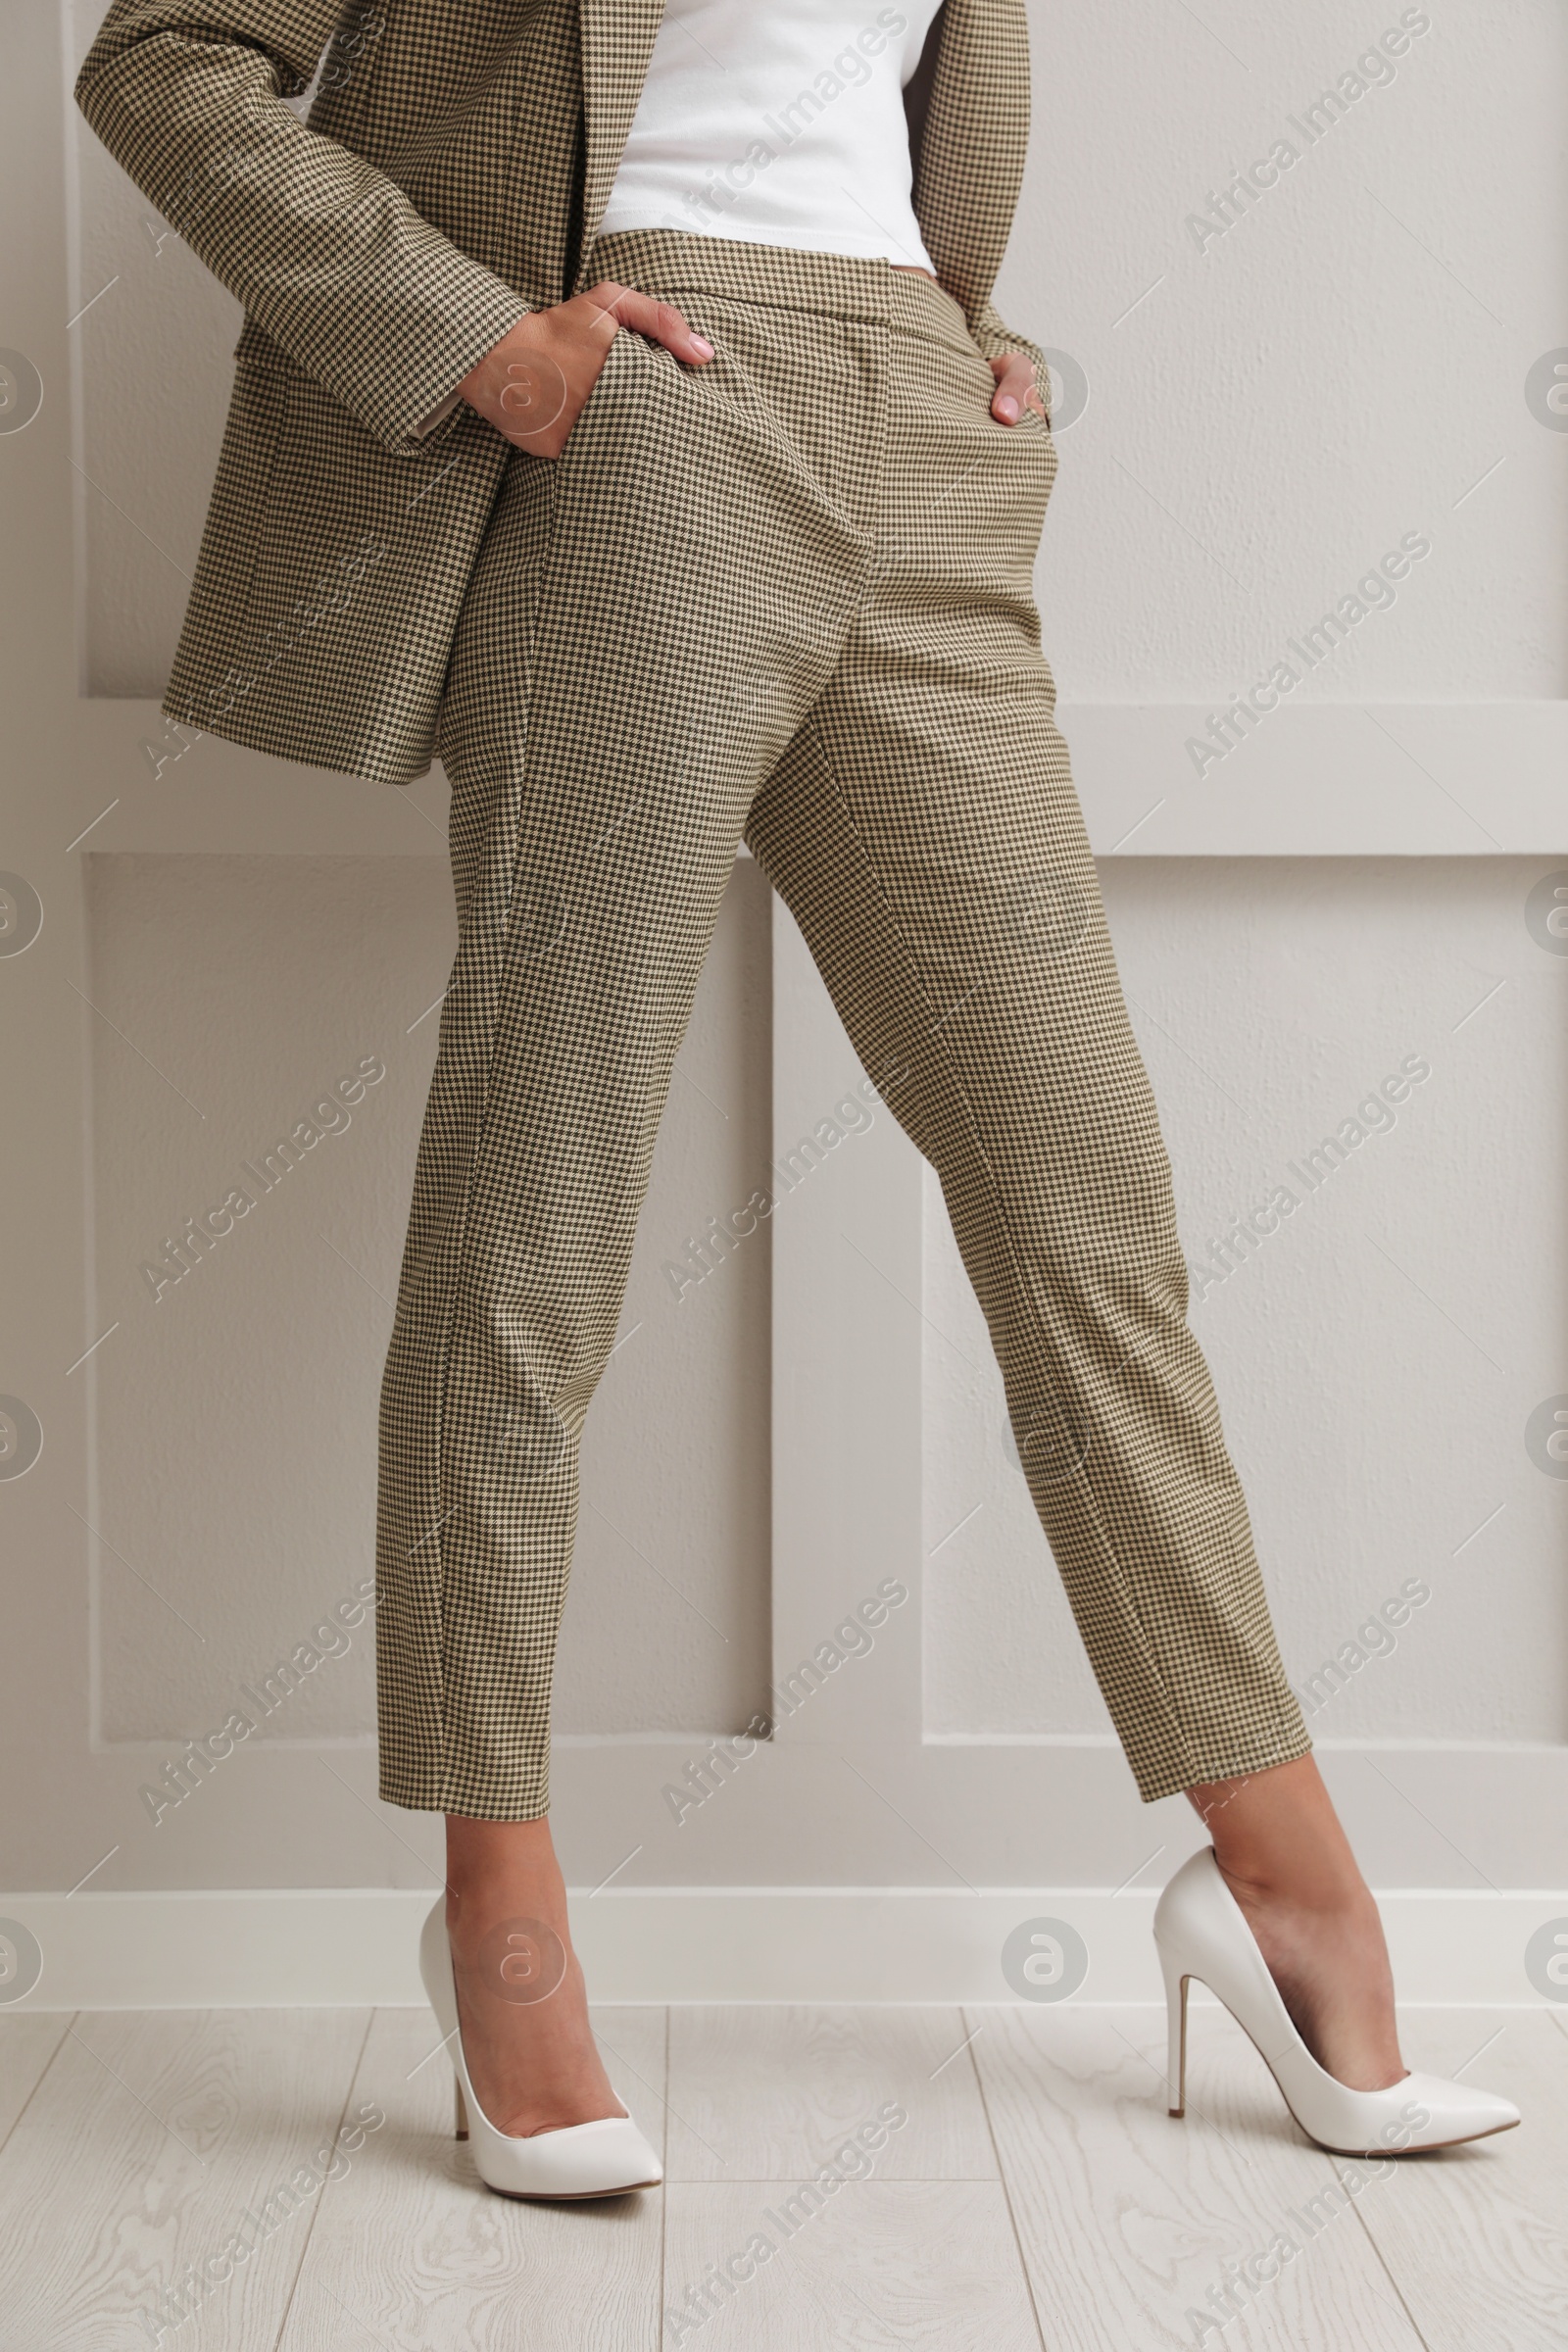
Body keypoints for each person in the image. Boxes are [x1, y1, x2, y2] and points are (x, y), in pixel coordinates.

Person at [76, 0, 1516, 2197]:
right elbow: (165, 59)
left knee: (1078, 1190)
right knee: (541, 1191)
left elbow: (861, 110)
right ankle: (498, 1901)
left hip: (916, 428)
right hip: (644, 420)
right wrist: (479, 340)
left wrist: (960, 333)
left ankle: (1271, 1855)